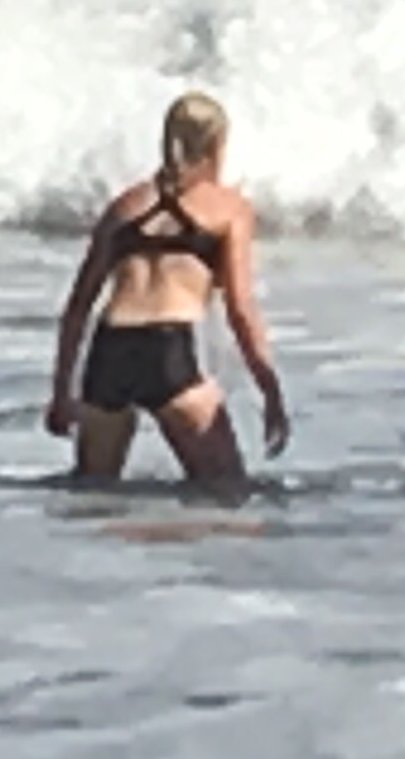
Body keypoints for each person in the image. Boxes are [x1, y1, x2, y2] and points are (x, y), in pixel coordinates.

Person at [45, 91, 289, 487]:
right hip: (168, 348)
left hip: (108, 351)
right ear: (217, 144)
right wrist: (271, 391)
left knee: (93, 495)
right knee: (227, 493)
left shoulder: (123, 207)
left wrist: (61, 393)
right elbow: (241, 309)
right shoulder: (229, 209)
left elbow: (78, 306)